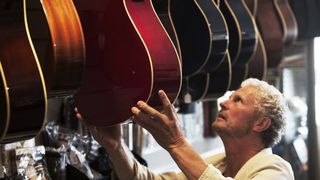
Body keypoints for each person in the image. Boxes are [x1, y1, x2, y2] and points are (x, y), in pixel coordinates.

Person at [76, 78, 294, 179]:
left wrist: (176, 143)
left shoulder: (275, 170)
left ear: (261, 123)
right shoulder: (218, 164)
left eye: (238, 100)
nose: (223, 102)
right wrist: (116, 147)